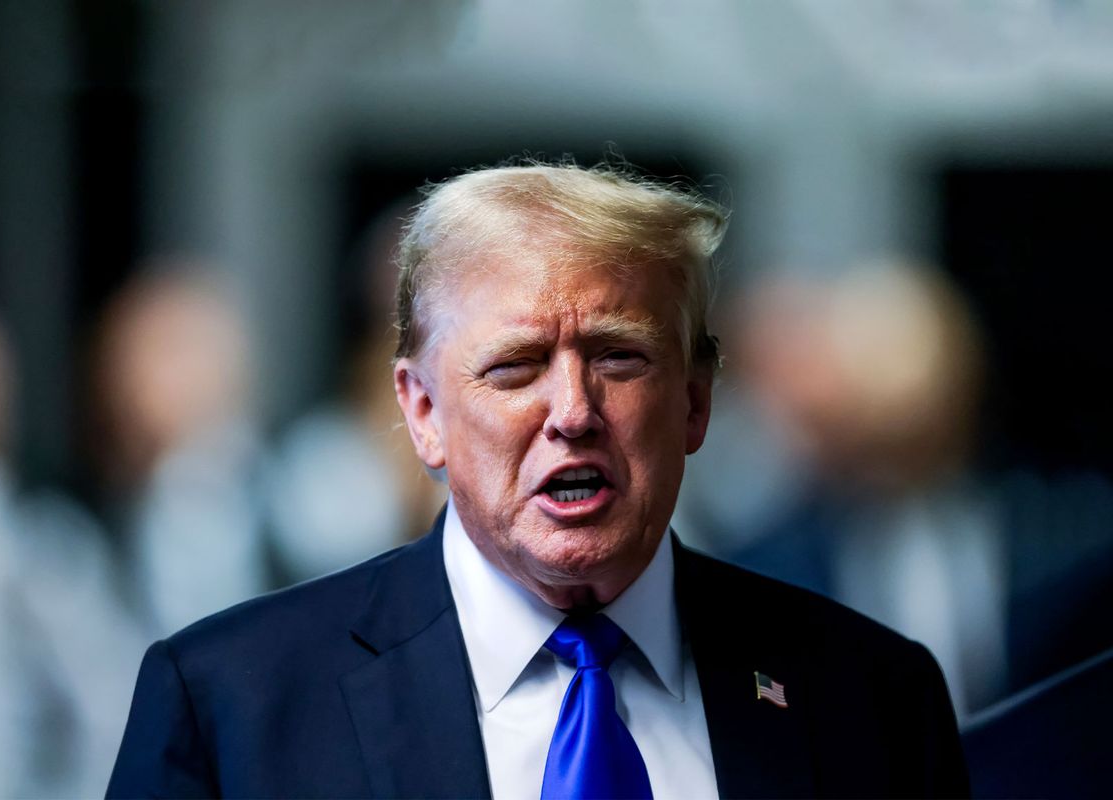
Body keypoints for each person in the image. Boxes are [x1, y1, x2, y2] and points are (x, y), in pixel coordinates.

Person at [107, 161, 969, 798]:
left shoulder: (874, 698)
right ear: (422, 413)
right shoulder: (232, 706)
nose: (573, 410)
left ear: (698, 400)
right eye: (515, 367)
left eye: (618, 357)